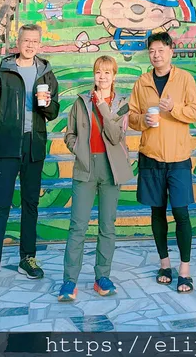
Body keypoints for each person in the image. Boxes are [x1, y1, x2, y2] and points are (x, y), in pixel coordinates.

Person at [0, 23, 60, 293]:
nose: (30, 45)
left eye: (34, 41)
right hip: (8, 146)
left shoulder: (46, 72)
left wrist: (46, 105)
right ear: (18, 42)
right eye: (26, 40)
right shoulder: (2, 71)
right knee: (0, 207)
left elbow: (54, 111)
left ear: (39, 44)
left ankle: (27, 258)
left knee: (30, 205)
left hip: (34, 146)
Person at [129, 32, 196, 293]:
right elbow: (132, 115)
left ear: (171, 50)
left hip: (179, 157)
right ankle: (164, 263)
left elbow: (195, 112)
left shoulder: (184, 79)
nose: (156, 55)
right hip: (151, 157)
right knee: (157, 212)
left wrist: (173, 110)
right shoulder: (142, 82)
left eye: (160, 50)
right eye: (152, 51)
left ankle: (184, 269)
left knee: (181, 213)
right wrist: (142, 122)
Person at [58, 55, 133, 302]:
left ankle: (102, 276)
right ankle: (69, 281)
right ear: (94, 74)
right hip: (85, 168)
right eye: (98, 72)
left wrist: (102, 105)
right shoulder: (80, 102)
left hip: (112, 169)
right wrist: (79, 148)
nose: (102, 77)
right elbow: (69, 134)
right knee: (77, 226)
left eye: (107, 73)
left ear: (114, 76)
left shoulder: (122, 104)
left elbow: (114, 136)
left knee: (107, 226)